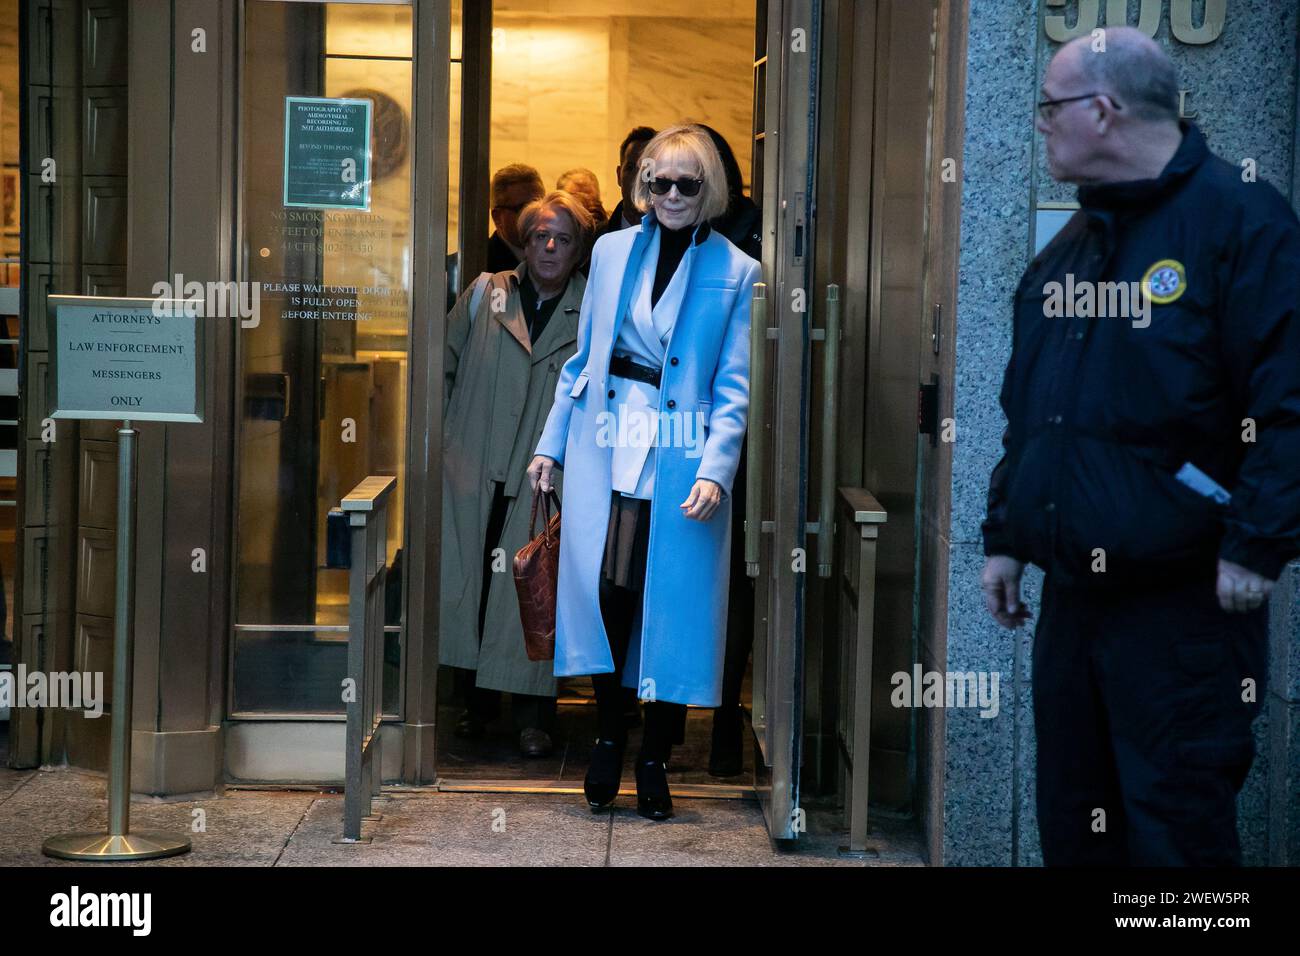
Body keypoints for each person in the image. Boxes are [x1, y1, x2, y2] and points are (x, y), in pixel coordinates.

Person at [981, 27, 1300, 866]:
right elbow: (1033, 408)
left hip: (1186, 611)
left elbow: (1291, 402)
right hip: (1075, 610)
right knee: (1076, 828)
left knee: (1174, 842)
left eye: (1050, 107)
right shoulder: (1075, 244)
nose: (1041, 124)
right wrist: (1006, 535)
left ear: (1104, 109)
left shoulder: (1240, 222)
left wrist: (1257, 543)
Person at [528, 124, 761, 820]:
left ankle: (655, 758)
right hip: (610, 440)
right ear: (643, 185)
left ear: (709, 189)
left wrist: (717, 469)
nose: (671, 195)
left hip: (683, 453)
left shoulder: (738, 270)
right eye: (658, 182)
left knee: (674, 609)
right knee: (608, 599)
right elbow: (580, 361)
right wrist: (551, 445)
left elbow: (734, 387)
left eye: (687, 183)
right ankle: (607, 737)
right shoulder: (607, 252)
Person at [442, 189, 594, 758]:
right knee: (474, 585)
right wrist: (453, 440)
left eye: (563, 238)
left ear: (579, 250)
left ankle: (536, 717)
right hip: (475, 468)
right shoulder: (487, 295)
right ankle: (472, 709)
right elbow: (443, 367)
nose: (550, 247)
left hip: (547, 474)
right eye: (539, 236)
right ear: (522, 243)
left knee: (538, 590)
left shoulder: (594, 307)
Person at [698, 124, 761, 775]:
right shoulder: (655, 245)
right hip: (670, 437)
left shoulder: (751, 243)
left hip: (741, 438)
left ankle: (722, 714)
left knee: (737, 581)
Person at [596, 126, 656, 242]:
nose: (638, 178)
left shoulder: (677, 239)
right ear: (619, 176)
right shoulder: (596, 239)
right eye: (630, 168)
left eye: (647, 169)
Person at [486, 164, 545, 274]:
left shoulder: (561, 257)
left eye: (538, 206)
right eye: (523, 209)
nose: (533, 216)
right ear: (497, 217)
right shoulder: (477, 263)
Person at [557, 167, 609, 273]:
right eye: (575, 200)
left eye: (590, 200)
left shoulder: (610, 231)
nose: (583, 208)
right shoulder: (549, 227)